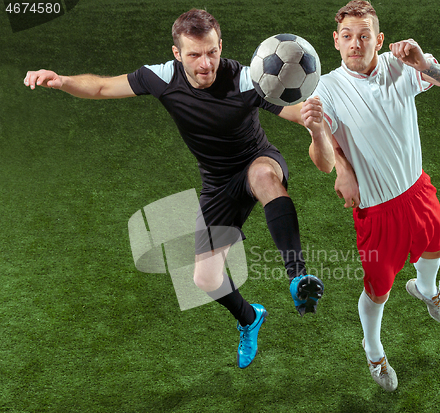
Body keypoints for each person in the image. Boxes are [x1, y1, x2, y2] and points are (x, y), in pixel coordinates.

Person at [24, 8, 326, 369]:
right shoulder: (161, 78)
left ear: (220, 46)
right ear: (177, 53)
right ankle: (249, 317)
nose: (205, 63)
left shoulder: (247, 78)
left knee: (264, 176)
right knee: (205, 278)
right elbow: (103, 86)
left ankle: (298, 276)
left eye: (212, 52)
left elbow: (291, 110)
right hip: (217, 183)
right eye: (195, 54)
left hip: (256, 160)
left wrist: (310, 116)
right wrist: (61, 80)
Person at [301, 0, 440, 391]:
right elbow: (324, 163)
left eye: (364, 36)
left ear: (378, 40)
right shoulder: (325, 88)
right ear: (335, 40)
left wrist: (424, 66)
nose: (355, 44)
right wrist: (315, 132)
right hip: (377, 212)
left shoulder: (401, 67)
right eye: (347, 37)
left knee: (436, 249)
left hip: (418, 190)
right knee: (377, 290)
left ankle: (427, 290)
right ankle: (374, 350)